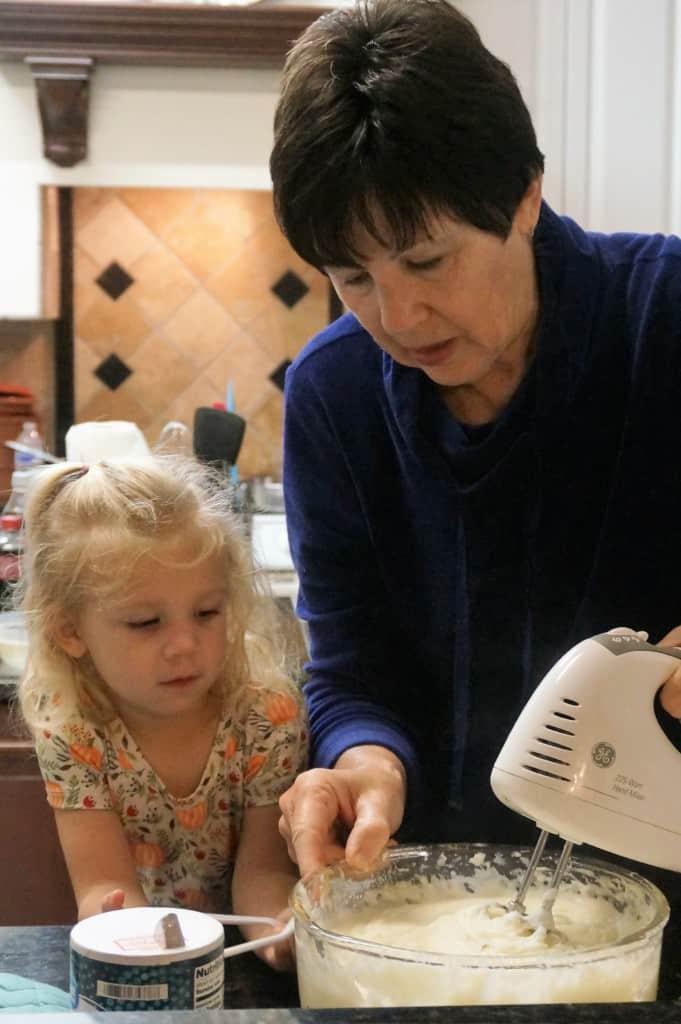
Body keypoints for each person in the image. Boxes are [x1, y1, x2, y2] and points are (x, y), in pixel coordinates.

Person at [269, 0, 681, 883]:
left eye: (426, 262)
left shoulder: (664, 316)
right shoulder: (332, 395)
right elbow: (351, 668)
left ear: (524, 195)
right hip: (444, 894)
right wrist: (362, 766)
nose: (398, 317)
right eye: (352, 279)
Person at [17, 456, 307, 971]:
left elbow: (262, 873)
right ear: (71, 631)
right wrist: (120, 926)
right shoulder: (74, 732)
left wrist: (280, 931)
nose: (183, 645)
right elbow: (104, 884)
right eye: (146, 622)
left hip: (246, 965)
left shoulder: (268, 716)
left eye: (207, 612)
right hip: (139, 962)